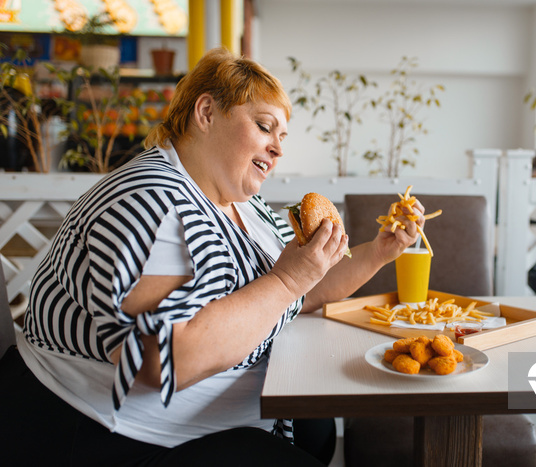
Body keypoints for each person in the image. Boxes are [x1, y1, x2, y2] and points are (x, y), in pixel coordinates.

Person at [0, 48, 424, 466]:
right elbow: (160, 359)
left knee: (316, 430)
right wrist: (286, 281)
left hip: (207, 414)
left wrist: (380, 251)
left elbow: (306, 290)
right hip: (99, 430)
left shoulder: (246, 207)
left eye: (282, 137)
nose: (277, 148)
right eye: (264, 126)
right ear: (205, 113)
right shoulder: (151, 201)